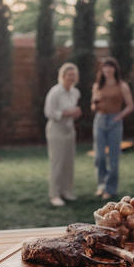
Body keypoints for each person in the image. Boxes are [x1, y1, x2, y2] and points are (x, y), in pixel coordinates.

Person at [91, 57, 134, 200]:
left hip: (115, 121)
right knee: (99, 157)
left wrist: (119, 117)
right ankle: (101, 185)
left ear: (115, 69)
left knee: (114, 157)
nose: (107, 69)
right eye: (105, 67)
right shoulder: (97, 86)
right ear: (102, 70)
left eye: (110, 66)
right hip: (100, 120)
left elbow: (130, 106)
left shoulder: (122, 85)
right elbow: (93, 107)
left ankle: (110, 188)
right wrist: (95, 104)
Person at [44, 62, 82, 207]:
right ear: (63, 76)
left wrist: (76, 113)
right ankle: (54, 195)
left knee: (68, 162)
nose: (72, 78)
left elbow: (73, 111)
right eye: (69, 75)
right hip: (56, 131)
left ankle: (67, 191)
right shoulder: (55, 92)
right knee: (57, 162)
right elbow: (49, 112)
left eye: (74, 75)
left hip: (69, 130)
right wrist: (67, 113)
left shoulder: (75, 92)